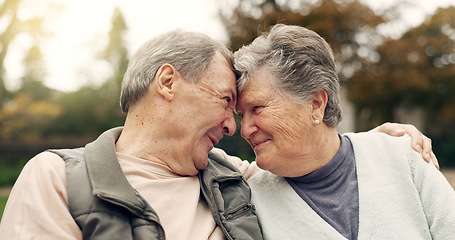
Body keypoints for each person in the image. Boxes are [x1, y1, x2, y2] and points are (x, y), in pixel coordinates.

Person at [0, 29, 436, 240]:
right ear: (167, 83)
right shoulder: (57, 178)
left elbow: (312, 154)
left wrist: (376, 144)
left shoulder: (231, 177)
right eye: (227, 100)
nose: (234, 127)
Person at [233, 24, 455, 239]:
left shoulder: (405, 157)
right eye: (242, 115)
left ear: (316, 104)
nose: (245, 130)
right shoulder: (246, 203)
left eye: (257, 108)